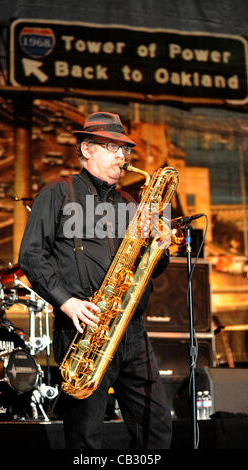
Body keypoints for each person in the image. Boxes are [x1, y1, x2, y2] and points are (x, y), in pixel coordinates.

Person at [19, 111, 172, 449]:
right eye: (112, 147)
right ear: (87, 149)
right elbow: (31, 255)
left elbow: (149, 267)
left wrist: (160, 247)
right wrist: (67, 301)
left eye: (125, 150)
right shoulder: (57, 193)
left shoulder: (133, 204)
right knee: (85, 437)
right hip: (83, 330)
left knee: (158, 430)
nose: (122, 156)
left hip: (130, 331)